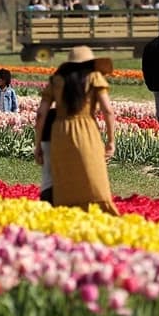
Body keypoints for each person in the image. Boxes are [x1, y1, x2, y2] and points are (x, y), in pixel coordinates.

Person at [33, 46, 118, 215]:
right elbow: (108, 110)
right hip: (87, 129)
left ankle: (68, 215)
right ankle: (103, 212)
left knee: (66, 177)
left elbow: (41, 114)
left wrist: (38, 145)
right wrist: (111, 141)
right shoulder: (94, 77)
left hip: (60, 131)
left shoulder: (56, 80)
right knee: (94, 174)